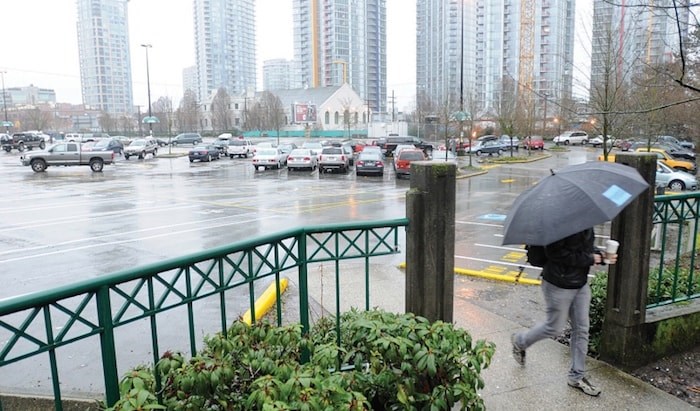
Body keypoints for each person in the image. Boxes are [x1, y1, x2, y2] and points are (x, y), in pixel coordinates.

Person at [511, 228, 616, 397]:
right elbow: (556, 253)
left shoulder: (583, 220)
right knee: (554, 327)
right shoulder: (559, 225)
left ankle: (577, 376)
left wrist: (601, 255)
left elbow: (583, 248)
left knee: (582, 329)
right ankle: (520, 341)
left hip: (580, 284)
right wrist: (591, 258)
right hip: (558, 284)